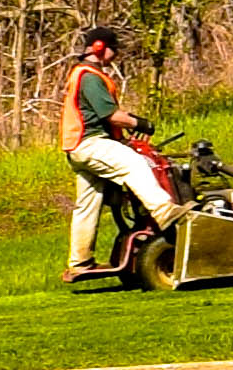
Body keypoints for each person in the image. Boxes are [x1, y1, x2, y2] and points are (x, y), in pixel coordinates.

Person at [59, 26, 179, 285]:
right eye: (115, 49)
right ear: (101, 47)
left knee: (87, 205)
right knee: (133, 164)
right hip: (91, 144)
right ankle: (165, 212)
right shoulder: (89, 76)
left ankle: (79, 262)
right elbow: (109, 115)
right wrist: (140, 123)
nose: (116, 55)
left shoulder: (81, 74)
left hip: (77, 147)